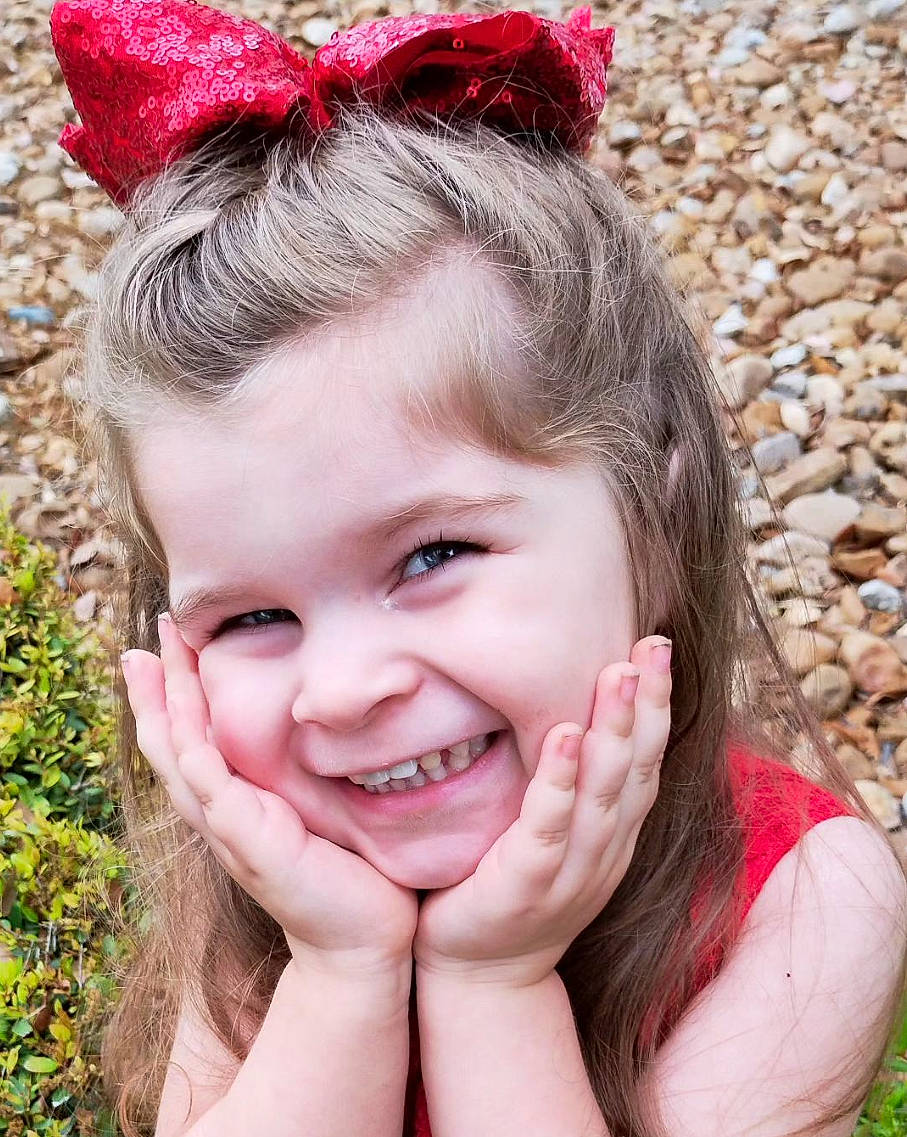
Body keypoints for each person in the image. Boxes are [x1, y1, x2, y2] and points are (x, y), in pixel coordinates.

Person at [50, 1, 907, 1135]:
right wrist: (340, 972)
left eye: (434, 554)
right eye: (252, 616)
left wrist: (489, 986)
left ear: (658, 512)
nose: (346, 687)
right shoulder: (267, 883)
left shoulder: (807, 905)